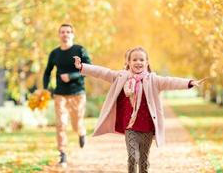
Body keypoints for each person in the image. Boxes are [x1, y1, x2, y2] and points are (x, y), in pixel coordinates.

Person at [73, 47, 208, 173]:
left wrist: (189, 83)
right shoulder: (121, 77)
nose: (138, 62)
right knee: (133, 156)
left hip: (147, 127)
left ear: (147, 62)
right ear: (129, 62)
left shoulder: (153, 80)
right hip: (130, 126)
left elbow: (170, 81)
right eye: (135, 59)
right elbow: (102, 72)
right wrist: (82, 67)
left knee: (143, 161)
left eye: (141, 59)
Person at [43, 23, 91, 166]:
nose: (65, 34)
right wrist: (46, 88)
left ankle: (81, 133)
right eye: (62, 32)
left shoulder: (79, 50)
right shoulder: (55, 53)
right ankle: (63, 154)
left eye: (68, 32)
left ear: (72, 34)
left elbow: (88, 69)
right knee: (61, 124)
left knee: (76, 124)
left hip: (77, 93)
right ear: (59, 35)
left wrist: (72, 76)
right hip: (60, 94)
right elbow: (47, 72)